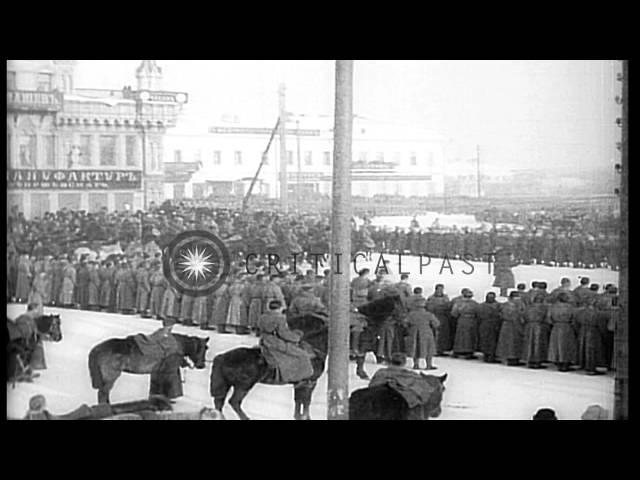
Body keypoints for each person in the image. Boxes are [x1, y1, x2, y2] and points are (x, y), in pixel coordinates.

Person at [368, 352, 440, 420]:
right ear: (404, 363)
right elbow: (425, 393)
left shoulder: (380, 373)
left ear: (391, 361)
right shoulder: (413, 376)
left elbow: (371, 386)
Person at [257, 300, 314, 383]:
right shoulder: (280, 318)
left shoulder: (263, 317)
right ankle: (300, 378)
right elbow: (283, 333)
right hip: (275, 342)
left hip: (264, 340)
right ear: (279, 308)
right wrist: (296, 337)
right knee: (302, 354)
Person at [404, 289, 439, 370]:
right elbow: (436, 323)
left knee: (415, 348)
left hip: (413, 332)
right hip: (426, 332)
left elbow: (405, 323)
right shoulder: (428, 314)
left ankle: (416, 365)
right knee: (429, 349)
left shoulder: (411, 314)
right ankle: (428, 365)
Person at [547, 291, 578, 372]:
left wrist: (554, 323)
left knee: (556, 345)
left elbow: (548, 319)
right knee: (567, 345)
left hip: (556, 327)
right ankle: (565, 363)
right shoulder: (570, 307)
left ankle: (558, 362)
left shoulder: (553, 306)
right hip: (567, 327)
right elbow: (574, 319)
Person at [575, 296, 606, 375]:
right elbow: (601, 326)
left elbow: (576, 323)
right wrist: (603, 334)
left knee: (583, 349)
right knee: (592, 350)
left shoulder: (580, 312)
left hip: (582, 331)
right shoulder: (597, 313)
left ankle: (584, 365)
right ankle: (591, 368)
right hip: (593, 332)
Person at [521, 292, 550, 368]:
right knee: (538, 344)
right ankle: (537, 361)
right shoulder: (544, 308)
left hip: (528, 326)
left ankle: (529, 360)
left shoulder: (528, 307)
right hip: (539, 326)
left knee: (529, 343)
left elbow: (523, 317)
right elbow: (547, 318)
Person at [496, 291, 525, 366]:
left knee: (506, 341)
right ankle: (514, 358)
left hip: (505, 324)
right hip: (516, 325)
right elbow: (522, 315)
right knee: (514, 342)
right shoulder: (520, 305)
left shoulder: (504, 305)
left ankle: (505, 357)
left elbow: (500, 314)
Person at [451, 289, 479, 359]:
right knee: (468, 336)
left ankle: (459, 350)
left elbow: (454, 313)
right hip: (470, 321)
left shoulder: (458, 303)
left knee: (461, 336)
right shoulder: (474, 303)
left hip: (462, 320)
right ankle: (468, 351)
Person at [426, 284, 452, 356]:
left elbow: (448, 307)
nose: (440, 291)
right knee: (434, 334)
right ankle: (434, 350)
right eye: (438, 289)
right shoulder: (431, 298)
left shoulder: (446, 298)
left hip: (443, 318)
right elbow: (429, 308)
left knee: (443, 335)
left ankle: (441, 350)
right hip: (434, 317)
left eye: (441, 289)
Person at [477, 292, 502, 363]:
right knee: (487, 340)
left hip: (489, 324)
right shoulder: (497, 305)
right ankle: (488, 355)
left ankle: (489, 355)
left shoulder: (482, 305)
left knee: (490, 340)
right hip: (488, 324)